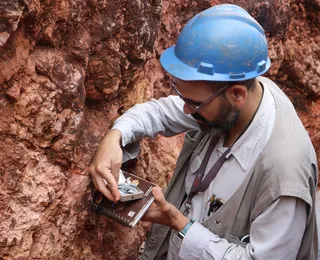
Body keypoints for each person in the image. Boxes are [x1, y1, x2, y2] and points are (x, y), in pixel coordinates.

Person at [90, 4, 318, 260]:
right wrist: (115, 136)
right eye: (182, 97)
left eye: (194, 103)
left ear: (237, 95)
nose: (185, 110)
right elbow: (160, 113)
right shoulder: (237, 91)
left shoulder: (284, 177)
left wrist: (179, 223)